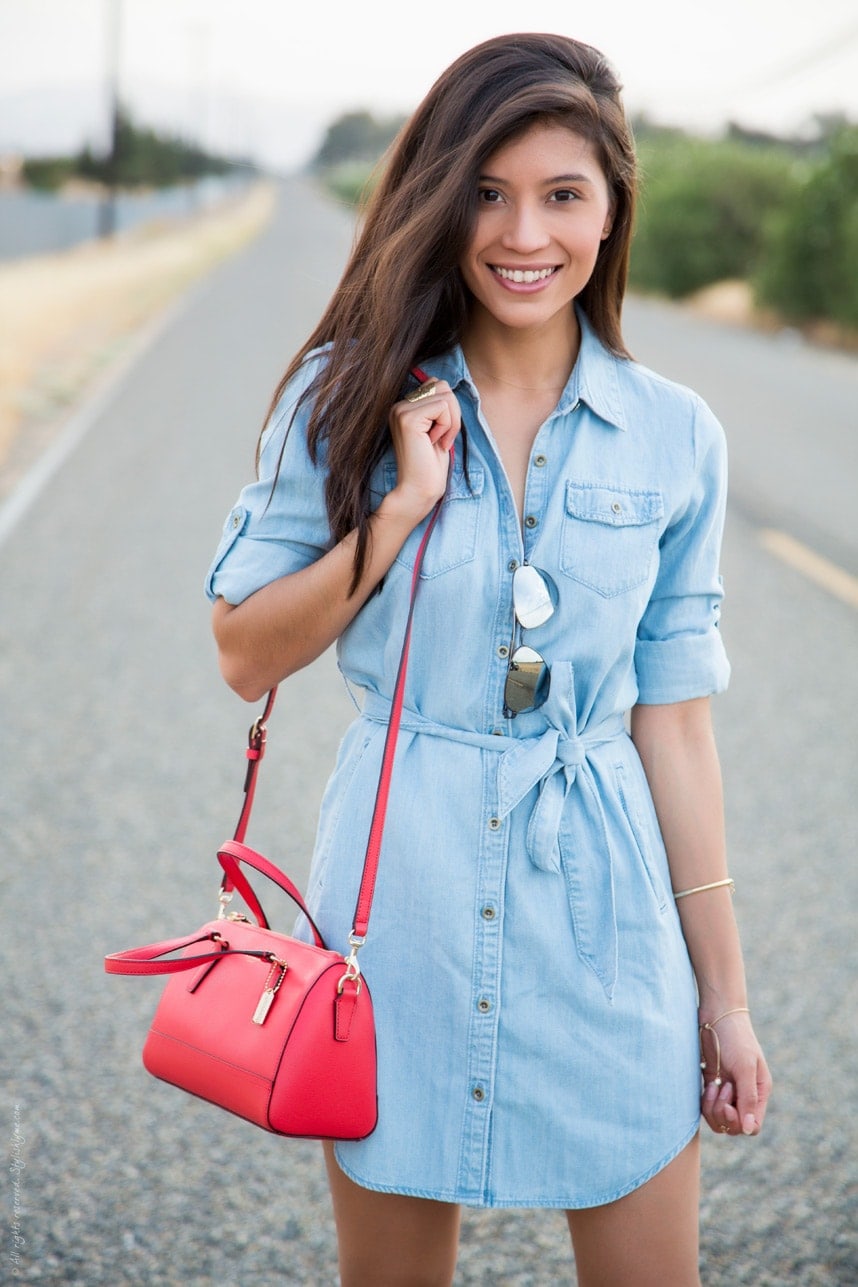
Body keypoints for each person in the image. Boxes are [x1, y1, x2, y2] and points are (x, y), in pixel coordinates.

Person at [205, 32, 771, 1287]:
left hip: (608, 917)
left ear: (614, 209)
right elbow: (245, 653)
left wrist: (723, 1004)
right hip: (392, 908)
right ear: (437, 197)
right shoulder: (340, 397)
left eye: (564, 194)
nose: (526, 233)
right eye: (488, 191)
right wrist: (398, 510)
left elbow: (674, 725)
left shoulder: (677, 437)